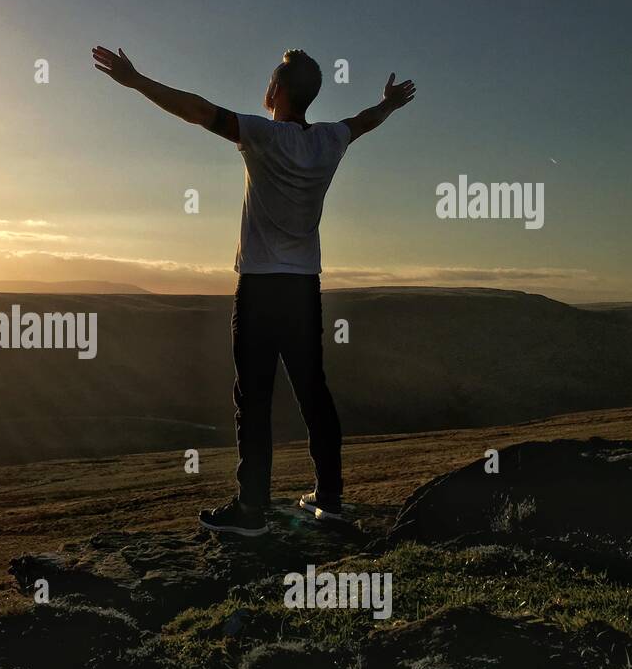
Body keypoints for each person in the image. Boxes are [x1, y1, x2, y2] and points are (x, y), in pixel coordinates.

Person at [92, 45, 415, 536]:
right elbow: (364, 121)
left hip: (260, 286)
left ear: (278, 91)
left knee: (254, 397)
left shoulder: (261, 134)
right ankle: (329, 498)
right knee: (314, 393)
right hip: (304, 286)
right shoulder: (330, 140)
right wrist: (388, 104)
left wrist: (137, 81)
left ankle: (251, 511)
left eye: (271, 80)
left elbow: (199, 110)